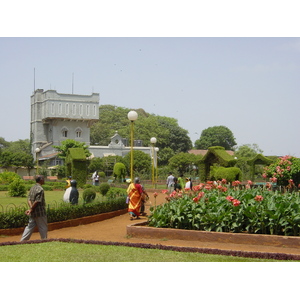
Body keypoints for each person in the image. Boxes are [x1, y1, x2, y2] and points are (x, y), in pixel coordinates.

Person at [21, 175, 48, 241]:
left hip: (33, 212)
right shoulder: (40, 189)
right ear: (41, 180)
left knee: (29, 227)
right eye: (43, 179)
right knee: (43, 227)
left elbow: (29, 199)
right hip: (40, 212)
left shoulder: (32, 188)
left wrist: (31, 208)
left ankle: (23, 241)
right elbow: (38, 201)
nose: (44, 180)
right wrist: (31, 209)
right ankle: (44, 240)